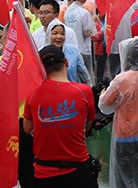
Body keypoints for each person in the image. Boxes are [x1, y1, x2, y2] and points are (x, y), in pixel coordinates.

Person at [24, 45, 97, 188]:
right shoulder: (84, 91)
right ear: (66, 63)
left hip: (44, 172)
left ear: (42, 68)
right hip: (78, 169)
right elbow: (87, 126)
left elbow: (27, 129)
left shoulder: (32, 95)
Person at [99, 38, 138, 188]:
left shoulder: (121, 80)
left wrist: (102, 94)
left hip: (127, 135)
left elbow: (104, 106)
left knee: (125, 177)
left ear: (126, 57)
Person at [46, 19, 91, 85]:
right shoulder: (43, 54)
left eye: (62, 34)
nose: (59, 37)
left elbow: (84, 73)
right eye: (55, 33)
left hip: (72, 89)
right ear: (48, 35)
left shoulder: (73, 51)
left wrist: (90, 87)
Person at [63, 0, 95, 77]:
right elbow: (87, 32)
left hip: (71, 49)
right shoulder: (83, 13)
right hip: (84, 49)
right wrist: (93, 22)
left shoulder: (67, 12)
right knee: (86, 76)